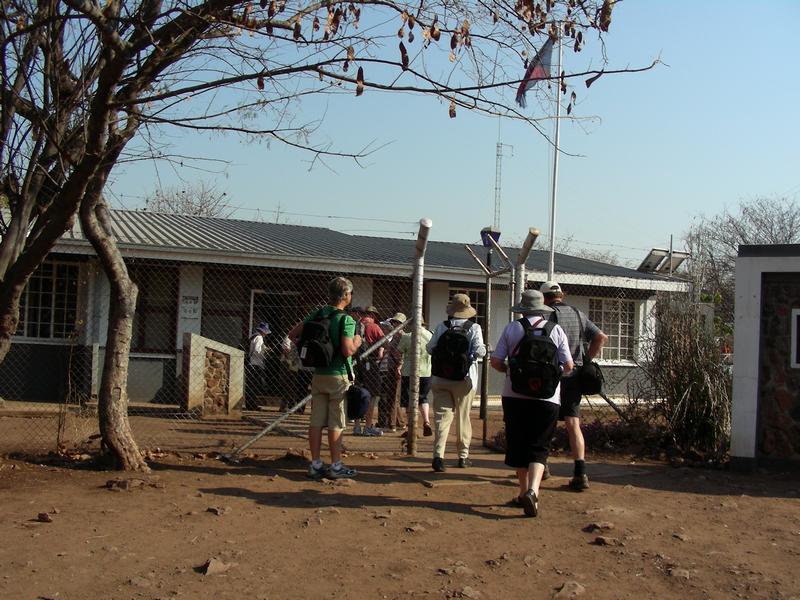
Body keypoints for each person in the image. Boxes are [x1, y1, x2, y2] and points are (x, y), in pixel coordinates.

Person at [490, 289, 573, 517]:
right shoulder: (555, 330)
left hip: (514, 395)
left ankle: (522, 491)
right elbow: (568, 365)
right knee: (539, 444)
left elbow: (495, 361)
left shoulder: (512, 328)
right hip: (547, 397)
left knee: (519, 443)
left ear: (522, 309)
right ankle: (533, 491)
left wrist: (511, 372)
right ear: (542, 309)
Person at [287, 277, 362, 480]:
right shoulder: (346, 320)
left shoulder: (317, 314)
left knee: (316, 421)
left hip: (319, 374)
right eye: (350, 293)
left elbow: (293, 334)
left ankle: (315, 464)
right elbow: (347, 350)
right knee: (336, 422)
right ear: (346, 295)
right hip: (339, 375)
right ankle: (336, 465)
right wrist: (357, 340)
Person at [540, 280, 609, 491]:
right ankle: (580, 472)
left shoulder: (544, 316)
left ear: (544, 298)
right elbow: (601, 337)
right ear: (561, 295)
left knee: (546, 422)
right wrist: (586, 360)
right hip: (575, 374)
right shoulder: (578, 314)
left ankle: (542, 466)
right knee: (573, 423)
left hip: (552, 375)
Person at [426, 293, 486, 471]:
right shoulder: (474, 328)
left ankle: (438, 456)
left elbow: (430, 348)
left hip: (440, 378)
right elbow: (480, 351)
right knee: (463, 418)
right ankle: (463, 457)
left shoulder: (441, 326)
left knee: (441, 419)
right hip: (465, 379)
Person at [397, 318, 433, 438]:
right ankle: (426, 421)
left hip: (409, 371)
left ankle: (411, 428)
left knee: (409, 400)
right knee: (423, 398)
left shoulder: (407, 336)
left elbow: (399, 352)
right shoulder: (430, 335)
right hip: (426, 371)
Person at [353, 306, 385, 436]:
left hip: (356, 363)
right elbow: (385, 343)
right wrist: (381, 352)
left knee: (358, 394)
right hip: (371, 363)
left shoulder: (355, 326)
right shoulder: (374, 326)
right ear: (373, 315)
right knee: (372, 396)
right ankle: (367, 426)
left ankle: (356, 427)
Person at [378, 313, 406, 432]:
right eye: (394, 322)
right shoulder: (395, 335)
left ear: (402, 324)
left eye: (398, 322)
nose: (395, 324)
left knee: (393, 396)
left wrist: (399, 366)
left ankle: (392, 424)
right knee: (393, 395)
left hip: (396, 368)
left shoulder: (402, 335)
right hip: (391, 367)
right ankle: (400, 423)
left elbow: (403, 353)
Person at [246, 322, 271, 409]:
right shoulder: (259, 337)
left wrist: (265, 348)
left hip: (252, 362)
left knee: (251, 385)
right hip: (256, 363)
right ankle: (252, 405)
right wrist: (264, 354)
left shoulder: (254, 336)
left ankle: (249, 404)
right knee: (254, 385)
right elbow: (257, 350)